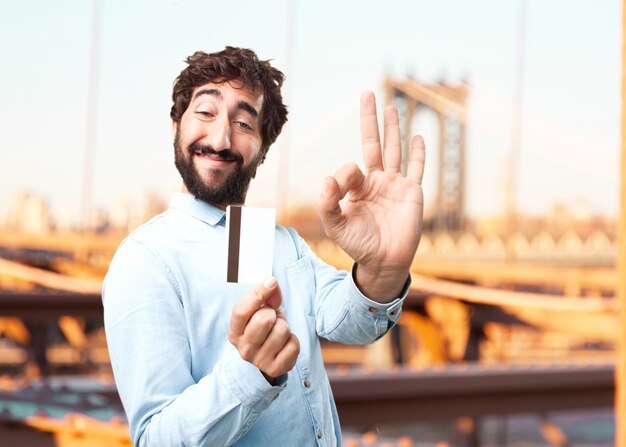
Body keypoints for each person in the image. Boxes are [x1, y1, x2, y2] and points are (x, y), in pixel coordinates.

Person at [103, 46, 426, 447]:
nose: (221, 138)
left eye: (243, 123)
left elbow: (349, 323)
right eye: (205, 113)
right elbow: (156, 440)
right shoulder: (144, 260)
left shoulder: (275, 240)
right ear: (175, 126)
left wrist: (382, 272)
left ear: (262, 150)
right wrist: (251, 375)